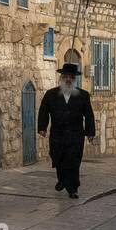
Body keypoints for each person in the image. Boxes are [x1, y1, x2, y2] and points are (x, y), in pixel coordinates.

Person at [37, 63, 96, 199]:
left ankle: (73, 189)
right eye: (66, 77)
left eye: (71, 77)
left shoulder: (83, 95)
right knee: (58, 158)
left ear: (74, 79)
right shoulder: (51, 94)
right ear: (61, 78)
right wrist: (42, 127)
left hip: (76, 135)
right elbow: (44, 111)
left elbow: (89, 115)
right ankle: (62, 179)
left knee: (74, 162)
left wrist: (90, 133)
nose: (68, 79)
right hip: (57, 134)